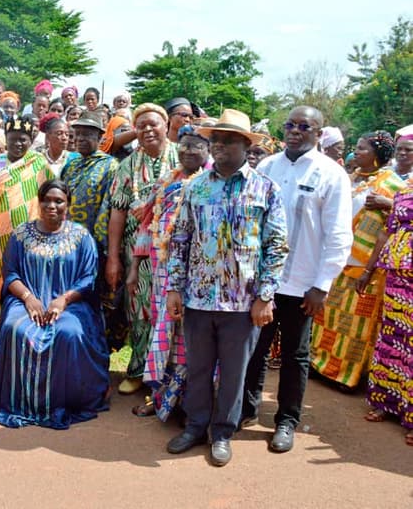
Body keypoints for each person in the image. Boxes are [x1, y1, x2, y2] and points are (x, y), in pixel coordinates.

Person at [165, 109, 289, 467]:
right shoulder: (196, 186)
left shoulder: (265, 188)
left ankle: (222, 433)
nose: (218, 146)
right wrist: (175, 288)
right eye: (214, 139)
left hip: (242, 303)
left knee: (234, 374)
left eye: (227, 140)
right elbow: (181, 239)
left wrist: (266, 295)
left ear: (245, 145)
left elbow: (277, 245)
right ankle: (195, 426)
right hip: (199, 300)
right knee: (199, 367)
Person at [241, 106, 353, 454]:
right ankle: (246, 407)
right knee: (254, 348)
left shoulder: (331, 174)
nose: (295, 131)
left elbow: (338, 234)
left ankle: (287, 420)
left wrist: (322, 284)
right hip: (263, 281)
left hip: (304, 283)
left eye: (305, 126)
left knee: (295, 354)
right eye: (290, 124)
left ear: (319, 134)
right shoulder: (268, 167)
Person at [0, 179, 110, 428]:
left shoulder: (81, 237)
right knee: (16, 329)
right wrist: (28, 298)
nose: (52, 205)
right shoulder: (21, 235)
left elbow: (89, 279)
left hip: (70, 303)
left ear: (68, 204)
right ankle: (20, 401)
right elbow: (11, 274)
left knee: (69, 332)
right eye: (47, 200)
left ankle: (67, 400)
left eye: (59, 201)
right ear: (39, 202)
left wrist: (63, 300)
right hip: (26, 300)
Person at [311, 131, 406, 389]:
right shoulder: (348, 178)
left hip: (366, 265)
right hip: (337, 259)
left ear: (377, 155)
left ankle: (348, 375)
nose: (356, 152)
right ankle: (319, 364)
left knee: (357, 325)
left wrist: (388, 205)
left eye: (362, 148)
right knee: (327, 316)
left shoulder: (394, 186)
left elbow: (395, 226)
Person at [128, 127, 209, 420]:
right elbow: (147, 225)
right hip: (163, 274)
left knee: (188, 342)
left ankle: (186, 404)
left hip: (196, 278)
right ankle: (161, 398)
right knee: (163, 336)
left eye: (196, 146)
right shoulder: (167, 181)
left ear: (208, 151)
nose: (188, 151)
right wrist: (135, 268)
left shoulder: (210, 184)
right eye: (185, 145)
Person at [103, 103, 179, 395]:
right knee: (138, 311)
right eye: (141, 125)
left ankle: (168, 375)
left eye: (153, 124)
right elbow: (118, 213)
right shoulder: (128, 166)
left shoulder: (182, 158)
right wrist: (113, 258)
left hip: (175, 253)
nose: (148, 129)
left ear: (165, 124)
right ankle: (137, 371)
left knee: (171, 312)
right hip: (136, 253)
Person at [0, 115, 54, 368]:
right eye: (13, 140)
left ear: (31, 140)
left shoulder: (39, 165)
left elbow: (50, 197)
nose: (18, 145)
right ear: (4, 139)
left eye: (23, 140)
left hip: (31, 242)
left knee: (28, 289)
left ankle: (25, 344)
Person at [360, 186, 413, 446]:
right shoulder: (404, 192)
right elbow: (386, 233)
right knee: (392, 339)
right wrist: (368, 271)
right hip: (396, 275)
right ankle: (387, 402)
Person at [60, 111, 119, 237]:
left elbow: (109, 207)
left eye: (86, 134)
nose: (80, 138)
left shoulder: (110, 166)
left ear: (99, 137)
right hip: (66, 236)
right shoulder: (70, 166)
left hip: (92, 239)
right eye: (77, 134)